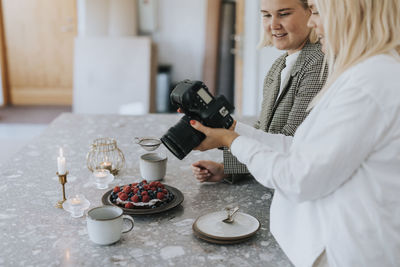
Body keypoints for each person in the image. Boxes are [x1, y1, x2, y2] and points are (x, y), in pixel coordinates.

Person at [188, 0, 400, 266]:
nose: (313, 21)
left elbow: (299, 177)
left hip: (348, 251)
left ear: (348, 13)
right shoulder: (366, 73)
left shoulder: (368, 83)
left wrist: (231, 140)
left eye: (318, 11)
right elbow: (298, 146)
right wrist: (232, 130)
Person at [192, 0, 327, 183]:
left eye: (284, 13)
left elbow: (289, 144)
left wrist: (226, 136)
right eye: (266, 15)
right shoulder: (278, 67)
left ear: (310, 13)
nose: (273, 25)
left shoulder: (318, 63)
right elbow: (264, 132)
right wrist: (227, 170)